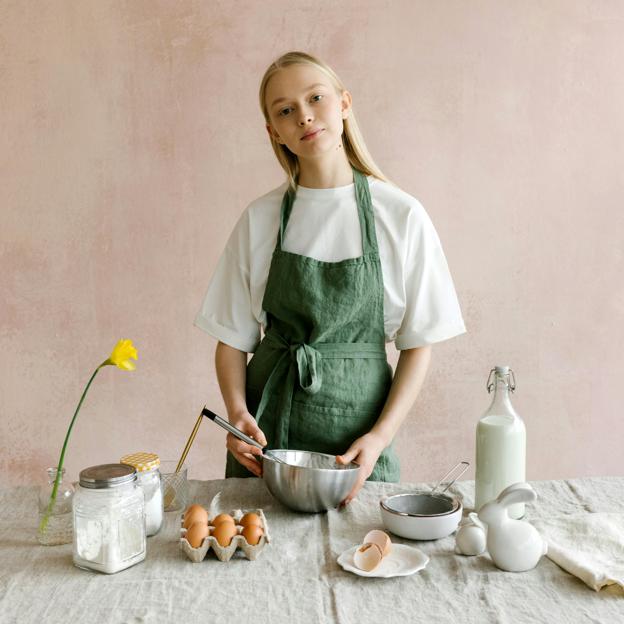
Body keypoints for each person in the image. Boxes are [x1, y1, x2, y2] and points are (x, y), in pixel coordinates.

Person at [194, 51, 466, 504]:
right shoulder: (260, 219)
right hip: (267, 444)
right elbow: (232, 338)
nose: (303, 116)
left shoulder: (401, 215)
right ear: (273, 131)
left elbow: (420, 344)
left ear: (343, 103)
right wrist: (238, 414)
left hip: (357, 445)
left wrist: (379, 439)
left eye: (315, 98)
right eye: (285, 110)